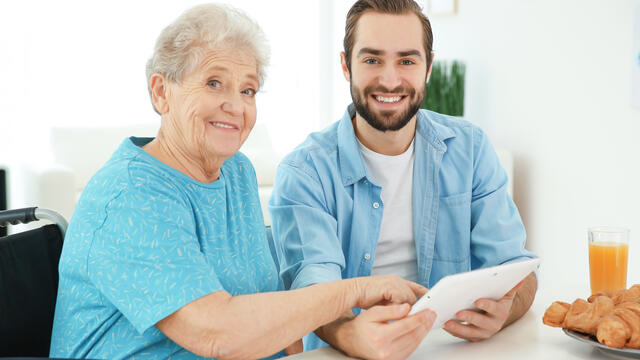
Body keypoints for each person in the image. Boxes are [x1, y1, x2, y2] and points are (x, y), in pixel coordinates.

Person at [49, 4, 435, 359]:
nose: (235, 106)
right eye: (214, 83)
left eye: (247, 89)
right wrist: (355, 290)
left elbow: (270, 310)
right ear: (161, 92)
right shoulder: (128, 195)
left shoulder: (237, 173)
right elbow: (215, 332)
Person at [268, 0, 538, 357]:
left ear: (428, 68)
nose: (390, 79)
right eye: (372, 60)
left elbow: (519, 272)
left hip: (452, 349)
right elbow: (313, 292)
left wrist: (505, 311)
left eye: (407, 60)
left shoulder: (471, 150)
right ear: (346, 65)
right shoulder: (305, 172)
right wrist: (351, 336)